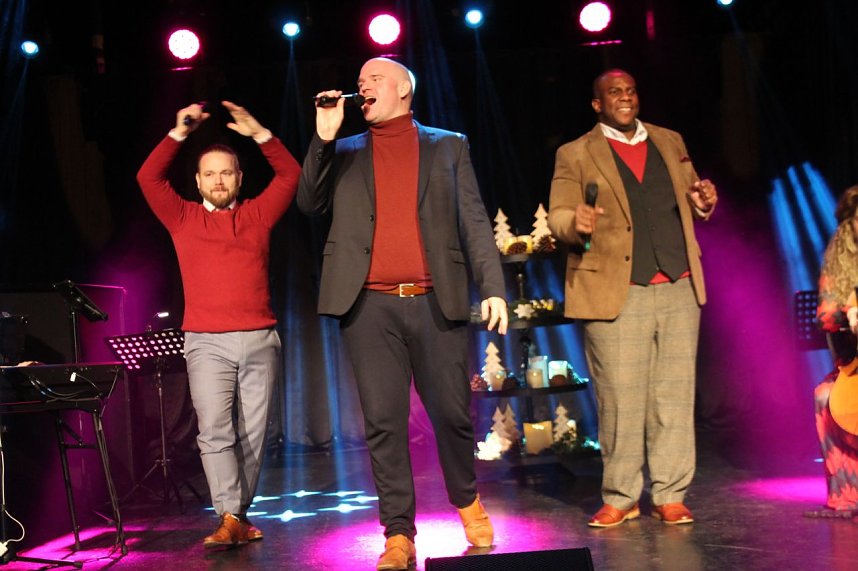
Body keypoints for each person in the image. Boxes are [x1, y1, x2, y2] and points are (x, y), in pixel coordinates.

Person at [297, 57, 508, 570]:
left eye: (373, 79)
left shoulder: (447, 145)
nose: (361, 85)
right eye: (360, 80)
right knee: (384, 423)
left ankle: (466, 498)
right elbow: (308, 203)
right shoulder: (343, 151)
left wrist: (494, 287)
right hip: (368, 305)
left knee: (453, 415)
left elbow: (475, 220)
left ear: (402, 91)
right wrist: (323, 139)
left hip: (437, 300)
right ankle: (398, 533)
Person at [548, 69, 717, 528]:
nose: (624, 98)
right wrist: (574, 222)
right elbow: (558, 214)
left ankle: (671, 492)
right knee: (620, 398)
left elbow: (693, 198)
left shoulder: (669, 140)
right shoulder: (576, 152)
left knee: (674, 396)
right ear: (597, 105)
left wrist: (704, 201)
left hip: (679, 283)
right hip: (614, 289)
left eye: (630, 90)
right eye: (613, 93)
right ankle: (621, 495)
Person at [136, 101, 300, 547]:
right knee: (214, 431)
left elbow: (290, 176)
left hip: (261, 338)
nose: (219, 180)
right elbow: (147, 178)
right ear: (198, 180)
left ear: (239, 178)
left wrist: (261, 133)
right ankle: (229, 515)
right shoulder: (182, 216)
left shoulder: (257, 214)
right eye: (210, 174)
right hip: (206, 341)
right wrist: (178, 134)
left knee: (253, 435)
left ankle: (236, 517)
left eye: (226, 172)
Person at [809, 185, 858, 517]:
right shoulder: (838, 265)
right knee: (824, 397)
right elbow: (825, 315)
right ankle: (846, 495)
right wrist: (846, 313)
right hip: (854, 362)